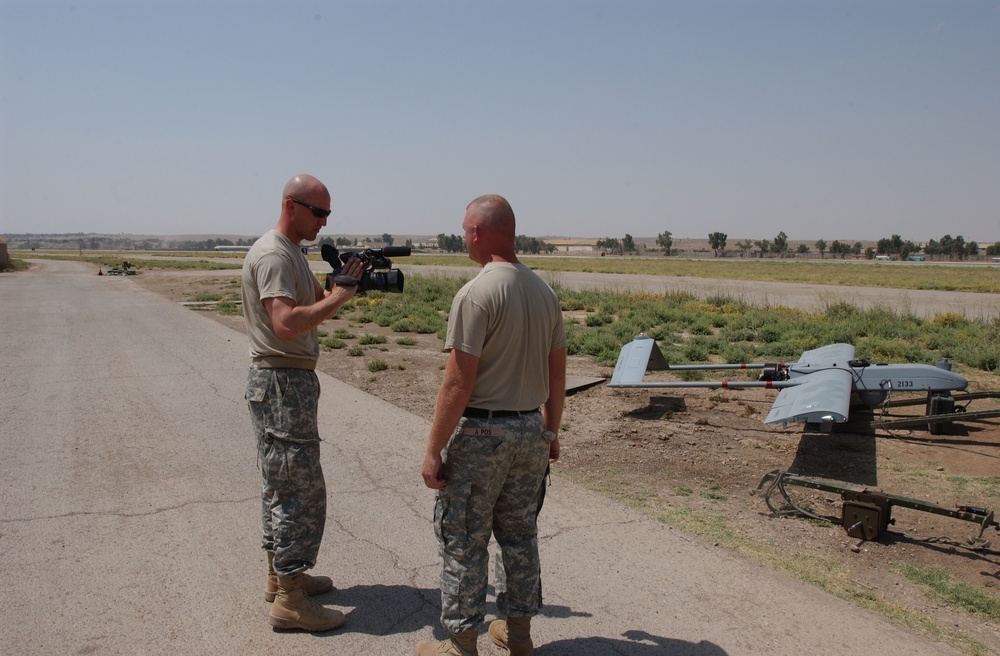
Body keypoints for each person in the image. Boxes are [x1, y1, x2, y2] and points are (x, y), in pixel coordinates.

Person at [416, 195, 566, 656]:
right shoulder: (544, 292)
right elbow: (558, 372)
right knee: (519, 535)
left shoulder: (477, 292)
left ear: (478, 233)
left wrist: (433, 450)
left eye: (464, 229)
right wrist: (551, 430)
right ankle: (518, 636)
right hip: (528, 432)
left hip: (484, 433)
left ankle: (462, 645)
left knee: (464, 537)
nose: (463, 236)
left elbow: (457, 384)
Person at [242, 173, 365, 632]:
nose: (324, 222)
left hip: (282, 381)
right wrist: (335, 297)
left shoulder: (292, 252)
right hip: (281, 381)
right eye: (319, 213)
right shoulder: (275, 254)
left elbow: (313, 299)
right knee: (299, 488)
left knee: (280, 481)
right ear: (291, 206)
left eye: (329, 214)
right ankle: (291, 598)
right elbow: (287, 323)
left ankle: (281, 576)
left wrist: (344, 280)